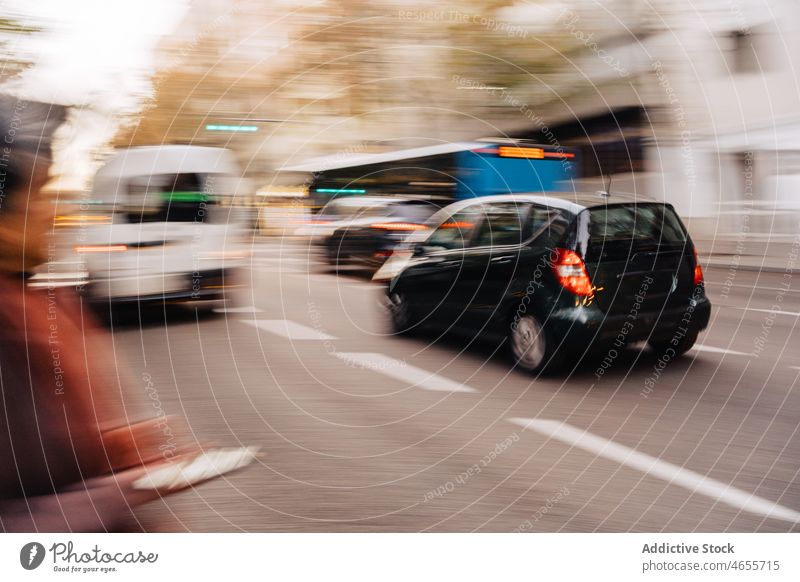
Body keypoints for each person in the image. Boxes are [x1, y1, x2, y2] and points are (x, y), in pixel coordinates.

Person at [0, 95, 172, 532]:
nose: (52, 212)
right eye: (39, 193)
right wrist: (116, 496)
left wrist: (114, 450)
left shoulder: (40, 303)